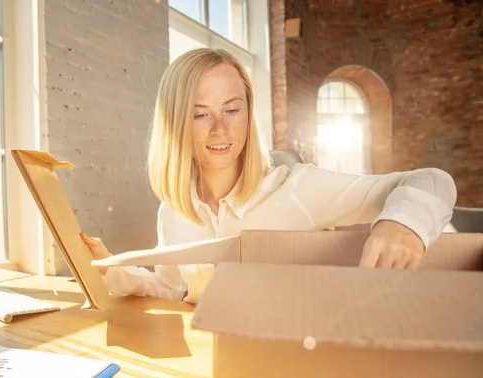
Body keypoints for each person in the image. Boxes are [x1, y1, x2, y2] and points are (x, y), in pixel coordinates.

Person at [81, 48, 457, 304]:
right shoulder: (173, 212)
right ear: (176, 124)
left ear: (248, 113)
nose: (220, 131)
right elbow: (173, 290)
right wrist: (113, 269)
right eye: (200, 115)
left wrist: (402, 225)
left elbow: (432, 180)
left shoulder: (297, 189)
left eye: (232, 110)